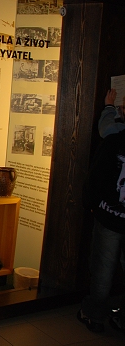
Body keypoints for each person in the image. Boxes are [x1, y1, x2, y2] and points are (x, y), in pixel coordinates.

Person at [78, 103, 125, 334]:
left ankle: (95, 315)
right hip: (112, 215)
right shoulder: (114, 140)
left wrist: (90, 204)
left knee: (103, 269)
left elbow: (96, 176)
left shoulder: (114, 141)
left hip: (110, 217)